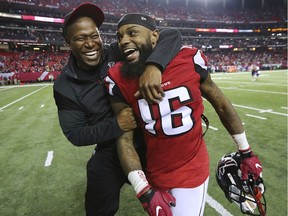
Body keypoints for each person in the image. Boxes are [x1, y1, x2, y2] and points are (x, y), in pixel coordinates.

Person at [104, 13, 264, 216]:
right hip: (153, 170)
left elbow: (221, 104)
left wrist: (246, 151)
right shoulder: (117, 78)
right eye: (119, 37)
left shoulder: (188, 59)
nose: (123, 40)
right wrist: (143, 190)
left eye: (132, 33)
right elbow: (124, 138)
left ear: (154, 36)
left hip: (190, 170)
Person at [53, 3, 182, 216]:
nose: (90, 43)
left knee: (173, 203)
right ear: (68, 42)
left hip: (149, 140)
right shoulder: (64, 85)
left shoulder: (118, 50)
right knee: (98, 209)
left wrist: (154, 66)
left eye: (94, 35)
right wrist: (117, 125)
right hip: (109, 150)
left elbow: (171, 35)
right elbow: (75, 133)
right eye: (80, 38)